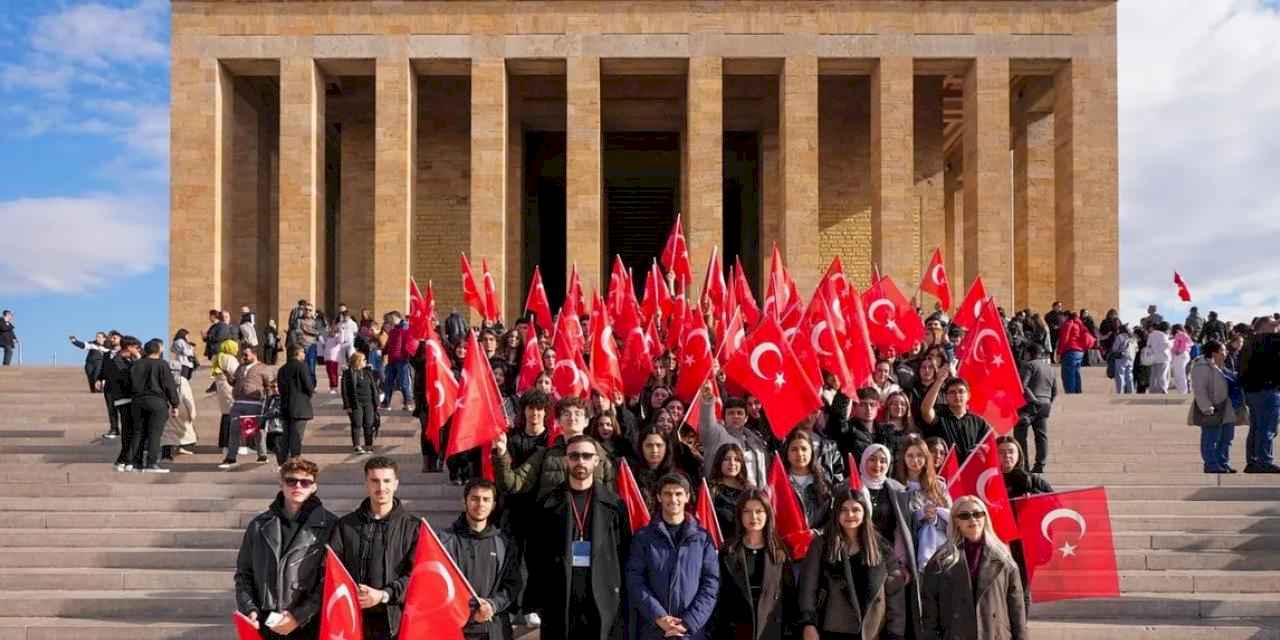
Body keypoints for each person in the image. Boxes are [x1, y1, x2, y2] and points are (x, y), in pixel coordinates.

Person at [528, 434, 631, 640]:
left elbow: (624, 552)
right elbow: (535, 555)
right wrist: (538, 601)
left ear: (596, 460)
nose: (580, 461)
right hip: (559, 598)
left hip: (603, 599)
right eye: (574, 456)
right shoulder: (547, 504)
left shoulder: (615, 505)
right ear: (566, 460)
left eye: (586, 456)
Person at [234, 458, 336, 639]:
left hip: (308, 624)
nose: (298, 486)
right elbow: (244, 574)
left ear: (314, 487)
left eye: (305, 482)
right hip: (266, 622)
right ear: (281, 484)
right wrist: (249, 609)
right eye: (291, 481)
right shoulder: (258, 525)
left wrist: (298, 616)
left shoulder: (330, 526)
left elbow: (330, 580)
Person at [329, 457, 421, 639]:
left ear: (396, 484)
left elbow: (417, 574)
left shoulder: (414, 527)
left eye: (386, 481)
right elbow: (331, 568)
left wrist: (384, 595)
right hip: (352, 619)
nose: (381, 487)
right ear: (366, 483)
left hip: (394, 623)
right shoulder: (345, 525)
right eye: (375, 481)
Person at [625, 473, 720, 640]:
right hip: (653, 630)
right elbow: (635, 580)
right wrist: (659, 617)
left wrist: (688, 623)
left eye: (678, 494)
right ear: (659, 497)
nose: (673, 499)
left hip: (691, 632)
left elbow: (711, 584)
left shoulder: (702, 539)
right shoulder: (643, 538)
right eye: (668, 494)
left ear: (687, 497)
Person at [921, 495, 1027, 640]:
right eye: (965, 515)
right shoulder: (940, 560)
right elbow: (930, 610)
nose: (973, 519)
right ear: (956, 521)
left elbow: (1017, 607)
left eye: (977, 514)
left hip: (995, 634)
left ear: (985, 517)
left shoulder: (1003, 558)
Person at [798, 489, 898, 640]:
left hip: (871, 632)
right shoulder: (821, 544)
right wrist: (808, 623)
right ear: (836, 513)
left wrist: (895, 633)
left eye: (856, 510)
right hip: (832, 629)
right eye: (844, 510)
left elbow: (894, 593)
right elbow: (808, 587)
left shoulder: (882, 547)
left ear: (865, 513)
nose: (850, 515)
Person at [437, 479, 523, 640]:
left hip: (494, 630)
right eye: (475, 498)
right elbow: (438, 586)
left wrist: (492, 605)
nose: (480, 504)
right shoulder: (444, 540)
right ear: (464, 501)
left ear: (493, 505)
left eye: (486, 499)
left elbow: (513, 584)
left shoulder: (503, 542)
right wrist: (469, 610)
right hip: (457, 628)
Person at [493, 396, 616, 502]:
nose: (572, 418)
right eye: (566, 414)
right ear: (558, 421)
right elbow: (512, 484)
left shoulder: (601, 456)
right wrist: (501, 453)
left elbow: (610, 498)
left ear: (586, 421)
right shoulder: (544, 455)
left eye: (578, 414)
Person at [712, 489, 795, 640]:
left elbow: (789, 598)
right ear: (739, 515)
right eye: (747, 511)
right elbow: (720, 597)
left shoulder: (780, 552)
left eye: (759, 511)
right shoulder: (728, 551)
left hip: (771, 631)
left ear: (768, 514)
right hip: (736, 631)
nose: (754, 517)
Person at [857, 444, 921, 639]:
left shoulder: (898, 489)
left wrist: (903, 563)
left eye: (883, 460)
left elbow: (904, 529)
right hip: (858, 557)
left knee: (891, 614)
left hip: (890, 560)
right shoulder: (851, 485)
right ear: (864, 460)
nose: (877, 465)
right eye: (872, 459)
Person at [996, 436, 1052, 611]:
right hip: (997, 542)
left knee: (1021, 590)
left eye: (1010, 452)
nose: (1007, 456)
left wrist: (1035, 499)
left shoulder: (1033, 480)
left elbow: (1056, 504)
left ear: (1019, 455)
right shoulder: (987, 480)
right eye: (1001, 452)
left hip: (1024, 544)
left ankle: (1020, 625)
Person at [894, 434, 952, 568]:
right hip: (908, 552)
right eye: (910, 456)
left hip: (938, 552)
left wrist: (935, 519)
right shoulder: (895, 487)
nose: (915, 460)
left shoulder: (939, 486)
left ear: (926, 458)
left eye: (919, 455)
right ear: (903, 458)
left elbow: (951, 519)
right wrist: (921, 515)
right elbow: (897, 523)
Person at [698, 386, 770, 488]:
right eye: (731, 413)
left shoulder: (755, 438)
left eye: (739, 413)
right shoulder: (716, 434)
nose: (735, 416)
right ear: (724, 417)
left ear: (746, 418)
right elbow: (707, 423)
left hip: (755, 494)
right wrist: (707, 399)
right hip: (723, 493)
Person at [128, 339, 180, 473]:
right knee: (154, 434)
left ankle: (135, 463)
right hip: (157, 401)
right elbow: (169, 385)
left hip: (137, 401)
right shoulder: (162, 364)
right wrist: (175, 404)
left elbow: (129, 382)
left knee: (138, 433)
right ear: (158, 350)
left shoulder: (136, 364)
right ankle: (151, 463)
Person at [1190, 341, 1239, 474]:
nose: (1226, 352)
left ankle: (1223, 463)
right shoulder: (1201, 367)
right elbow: (1199, 389)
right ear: (1214, 353)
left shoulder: (1223, 365)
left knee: (1227, 437)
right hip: (1213, 407)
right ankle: (1211, 464)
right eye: (1222, 350)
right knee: (1211, 437)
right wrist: (1207, 407)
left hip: (1227, 406)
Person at [225, 346, 275, 467]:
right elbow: (233, 382)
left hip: (254, 404)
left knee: (256, 430)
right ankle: (231, 457)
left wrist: (269, 402)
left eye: (246, 354)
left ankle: (262, 455)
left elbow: (269, 386)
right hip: (238, 403)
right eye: (243, 354)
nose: (244, 357)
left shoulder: (263, 368)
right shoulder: (240, 367)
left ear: (254, 354)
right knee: (234, 429)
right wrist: (227, 376)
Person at [920, 377, 990, 463]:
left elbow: (989, 445)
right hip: (944, 468)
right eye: (952, 392)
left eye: (961, 391)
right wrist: (939, 380)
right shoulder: (939, 415)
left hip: (970, 468)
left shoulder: (979, 422)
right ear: (946, 397)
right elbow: (925, 410)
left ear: (968, 395)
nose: (957, 395)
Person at [782, 429, 833, 537]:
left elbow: (832, 518)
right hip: (787, 542)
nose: (800, 454)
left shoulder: (824, 482)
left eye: (804, 449)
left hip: (817, 542)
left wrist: (816, 533)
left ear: (812, 452)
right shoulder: (780, 482)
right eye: (794, 449)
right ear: (787, 453)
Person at [1015, 343, 1057, 473]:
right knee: (1041, 436)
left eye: (1025, 353)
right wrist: (1047, 402)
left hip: (1029, 405)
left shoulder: (1028, 365)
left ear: (1029, 353)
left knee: (1020, 434)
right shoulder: (1050, 369)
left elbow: (1022, 386)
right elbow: (1055, 391)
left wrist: (1033, 400)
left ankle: (1023, 465)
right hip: (1045, 404)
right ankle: (1040, 464)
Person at [102, 336, 141, 469]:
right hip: (124, 399)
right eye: (136, 348)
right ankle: (124, 460)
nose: (138, 350)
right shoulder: (117, 361)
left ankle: (123, 459)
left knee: (129, 430)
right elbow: (128, 377)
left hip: (128, 399)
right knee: (128, 430)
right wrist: (138, 359)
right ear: (129, 347)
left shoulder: (126, 360)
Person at [275, 344, 315, 465]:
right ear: (297, 353)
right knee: (297, 436)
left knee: (286, 436)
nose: (304, 354)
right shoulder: (302, 366)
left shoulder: (282, 369)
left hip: (286, 406)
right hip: (300, 407)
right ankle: (295, 461)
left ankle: (282, 461)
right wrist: (308, 394)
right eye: (303, 352)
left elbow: (280, 389)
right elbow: (308, 386)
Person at [708, 443, 752, 542]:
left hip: (746, 543)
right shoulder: (711, 489)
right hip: (721, 544)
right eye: (726, 459)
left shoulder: (750, 490)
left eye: (736, 459)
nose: (732, 463)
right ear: (719, 462)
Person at [342, 351, 381, 455]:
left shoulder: (368, 372)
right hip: (356, 403)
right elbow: (344, 391)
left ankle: (369, 445)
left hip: (369, 402)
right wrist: (347, 405)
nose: (366, 361)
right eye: (364, 360)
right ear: (358, 361)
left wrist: (376, 402)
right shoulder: (348, 373)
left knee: (369, 423)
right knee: (357, 423)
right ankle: (357, 445)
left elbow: (375, 386)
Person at [160, 360, 197, 460]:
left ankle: (169, 452)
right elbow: (188, 397)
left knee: (167, 431)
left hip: (168, 408)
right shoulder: (182, 380)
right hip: (179, 408)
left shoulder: (162, 379)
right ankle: (171, 452)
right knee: (180, 430)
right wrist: (192, 413)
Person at [1055, 311, 1092, 394]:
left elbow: (1064, 339)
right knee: (1076, 373)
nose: (1059, 320)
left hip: (1070, 351)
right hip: (1079, 352)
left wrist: (1059, 352)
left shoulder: (1068, 324)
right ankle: (1078, 393)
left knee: (1068, 375)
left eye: (1061, 317)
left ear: (1066, 316)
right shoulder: (1079, 323)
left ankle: (1070, 395)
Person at [1143, 322, 1172, 394]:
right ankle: (1163, 389)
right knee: (1162, 375)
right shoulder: (1163, 335)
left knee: (1153, 375)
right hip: (1163, 358)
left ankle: (1152, 390)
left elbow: (1148, 345)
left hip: (1153, 358)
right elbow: (1166, 345)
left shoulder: (1151, 334)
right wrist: (1171, 342)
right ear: (1166, 329)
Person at [1110, 324, 1138, 394]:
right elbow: (1137, 349)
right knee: (1129, 376)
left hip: (1121, 358)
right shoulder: (1133, 338)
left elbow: (1114, 348)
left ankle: (1120, 392)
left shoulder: (1120, 337)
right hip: (1131, 358)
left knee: (1120, 375)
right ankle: (1131, 392)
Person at [1170, 324, 1194, 394]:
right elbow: (1188, 343)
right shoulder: (1183, 335)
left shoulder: (1180, 334)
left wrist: (1179, 351)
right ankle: (1182, 391)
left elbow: (1184, 344)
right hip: (1183, 354)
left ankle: (1182, 391)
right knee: (1180, 373)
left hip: (1181, 355)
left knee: (1179, 374)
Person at [322, 325, 344, 392]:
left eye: (332, 331)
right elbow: (322, 338)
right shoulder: (327, 338)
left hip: (334, 359)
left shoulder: (337, 338)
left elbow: (341, 340)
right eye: (330, 331)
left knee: (333, 373)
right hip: (327, 358)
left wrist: (341, 331)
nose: (331, 332)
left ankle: (334, 387)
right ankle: (332, 386)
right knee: (329, 373)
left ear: (335, 332)